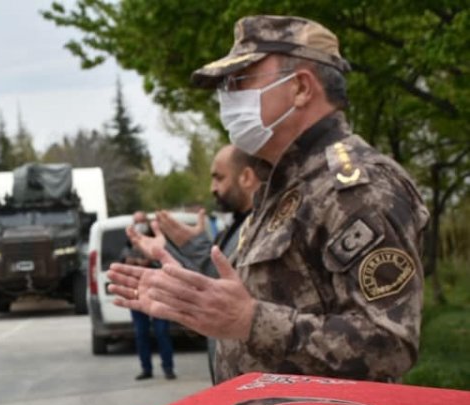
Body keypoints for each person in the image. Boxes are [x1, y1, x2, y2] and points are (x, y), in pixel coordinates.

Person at [108, 15, 428, 383]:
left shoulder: (358, 188)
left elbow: (389, 345)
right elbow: (265, 301)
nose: (226, 96)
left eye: (240, 81)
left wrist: (249, 322)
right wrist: (197, 300)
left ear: (302, 88)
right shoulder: (283, 185)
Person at [130, 146, 266, 382]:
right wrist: (173, 250)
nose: (213, 188)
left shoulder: (264, 229)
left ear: (246, 177)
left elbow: (230, 290)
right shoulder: (234, 228)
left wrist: (193, 247)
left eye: (219, 178)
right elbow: (211, 280)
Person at [123, 212, 176, 381]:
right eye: (136, 222)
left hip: (158, 294)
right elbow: (124, 260)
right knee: (141, 334)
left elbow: (165, 262)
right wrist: (135, 262)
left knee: (162, 332)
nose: (139, 225)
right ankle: (146, 369)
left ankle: (168, 368)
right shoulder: (127, 244)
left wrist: (148, 262)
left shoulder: (158, 243)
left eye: (142, 221)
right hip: (137, 295)